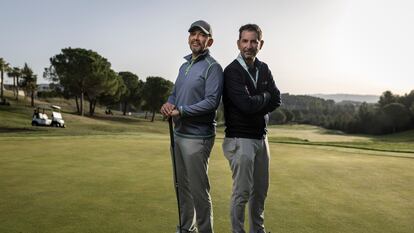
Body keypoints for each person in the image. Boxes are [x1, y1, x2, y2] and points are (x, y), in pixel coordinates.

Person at [160, 20, 223, 233]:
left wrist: (181, 111)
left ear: (209, 41)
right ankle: (186, 228)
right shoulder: (183, 66)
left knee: (198, 191)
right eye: (193, 34)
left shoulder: (213, 68)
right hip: (178, 134)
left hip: (198, 137)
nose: (196, 38)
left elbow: (211, 102)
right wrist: (169, 104)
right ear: (189, 38)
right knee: (182, 188)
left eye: (201, 35)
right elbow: (175, 93)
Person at [222, 24, 281, 233]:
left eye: (253, 41)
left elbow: (277, 99)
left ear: (260, 44)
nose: (249, 46)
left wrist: (259, 101)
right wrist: (264, 97)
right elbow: (247, 105)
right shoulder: (231, 72)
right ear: (238, 43)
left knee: (260, 191)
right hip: (240, 138)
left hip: (261, 138)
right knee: (243, 192)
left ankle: (258, 230)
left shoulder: (264, 68)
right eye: (245, 41)